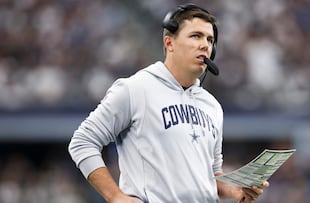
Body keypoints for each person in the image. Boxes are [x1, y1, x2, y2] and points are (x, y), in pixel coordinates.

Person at [68, 3, 269, 203]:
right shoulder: (136, 88)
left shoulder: (212, 106)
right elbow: (83, 141)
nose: (205, 45)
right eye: (195, 36)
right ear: (169, 43)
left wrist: (234, 190)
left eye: (210, 40)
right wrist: (115, 196)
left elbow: (211, 174)